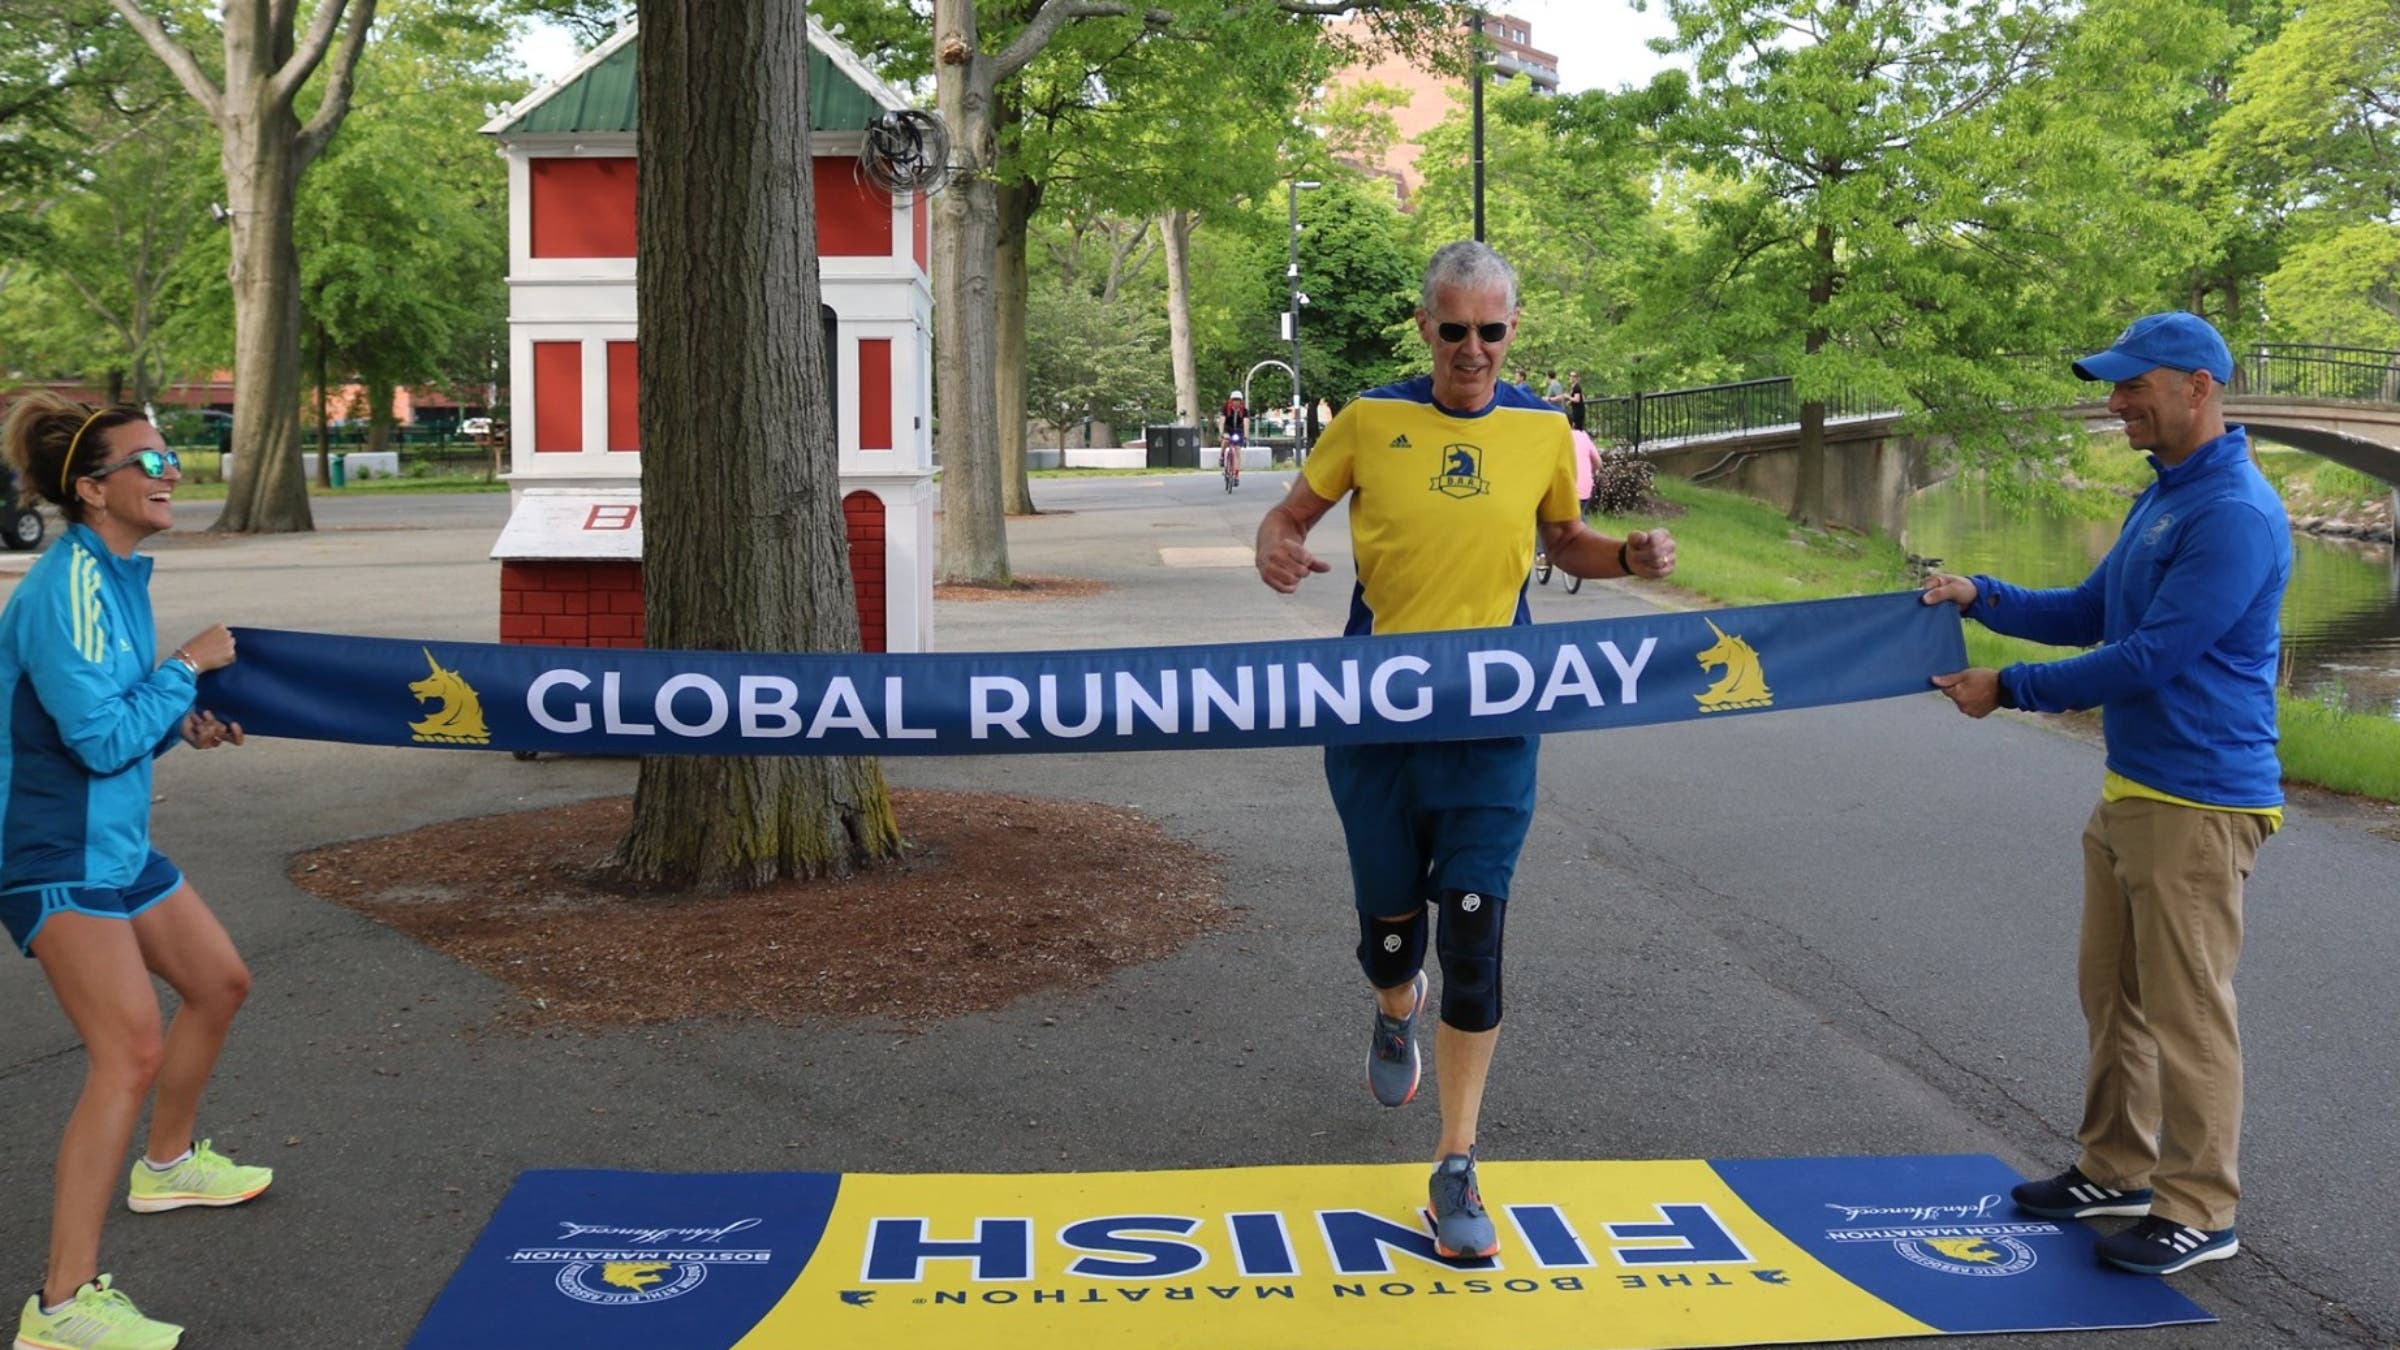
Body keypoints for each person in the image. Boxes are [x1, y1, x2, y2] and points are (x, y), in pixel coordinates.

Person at [1254, 241, 1676, 1260]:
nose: (1473, 351)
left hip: (1493, 724)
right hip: (1376, 730)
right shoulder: (1369, 418)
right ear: (1424, 326)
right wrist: (1274, 539)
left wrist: (1623, 556)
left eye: (1492, 331)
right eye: (1455, 330)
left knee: (1476, 937)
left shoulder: (1540, 427)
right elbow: (1292, 511)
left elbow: (1561, 541)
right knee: (1394, 943)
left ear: (1513, 331)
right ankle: (1395, 1006)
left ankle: (1455, 1163)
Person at [1921, 311, 2288, 1278]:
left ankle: (2201, 1208)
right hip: (2135, 791)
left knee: (2187, 1011)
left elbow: (2153, 657)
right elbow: (2094, 611)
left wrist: (2009, 689)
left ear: (2199, 388)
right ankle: (2116, 1169)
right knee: (2114, 997)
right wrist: (1982, 596)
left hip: (2199, 802)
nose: (2115, 401)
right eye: (2115, 385)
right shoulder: (2164, 499)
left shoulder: (2234, 513)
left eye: (2135, 385)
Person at [2, 392, 267, 1349]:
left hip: (112, 841)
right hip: (50, 849)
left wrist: (179, 722)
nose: (171, 474)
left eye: (171, 458)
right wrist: (187, 671)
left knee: (218, 982)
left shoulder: (118, 573)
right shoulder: (64, 586)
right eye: (148, 464)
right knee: (128, 1053)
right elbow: (96, 738)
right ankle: (62, 1307)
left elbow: (118, 725)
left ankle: (165, 1167)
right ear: (90, 487)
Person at [1219, 390, 1248, 486]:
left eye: (1238, 400)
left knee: (1237, 451)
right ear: (1231, 401)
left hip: (1238, 431)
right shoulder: (1226, 408)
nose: (1236, 402)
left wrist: (1246, 436)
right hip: (1228, 429)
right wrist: (1222, 433)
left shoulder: (1244, 410)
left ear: (1241, 402)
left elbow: (1246, 423)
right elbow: (1222, 421)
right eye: (1234, 400)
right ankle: (1222, 456)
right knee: (1225, 441)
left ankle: (1236, 475)